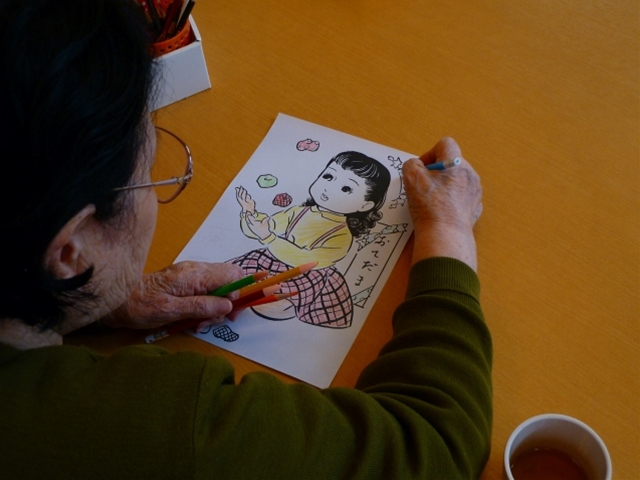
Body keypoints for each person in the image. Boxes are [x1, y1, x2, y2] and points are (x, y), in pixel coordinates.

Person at [0, 0, 492, 479]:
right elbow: (434, 444)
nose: (155, 191)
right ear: (69, 251)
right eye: (150, 176)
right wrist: (447, 229)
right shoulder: (138, 425)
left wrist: (92, 299)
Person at [232, 151, 391, 327]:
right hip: (272, 259)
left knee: (273, 305)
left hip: (305, 276)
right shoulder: (299, 212)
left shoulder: (341, 236)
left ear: (365, 205)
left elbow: (306, 260)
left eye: (346, 188)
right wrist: (250, 213)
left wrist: (268, 237)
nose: (328, 187)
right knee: (234, 281)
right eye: (328, 176)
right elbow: (265, 227)